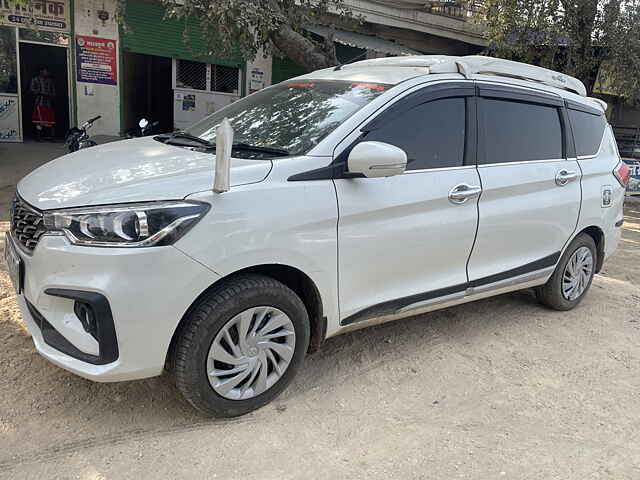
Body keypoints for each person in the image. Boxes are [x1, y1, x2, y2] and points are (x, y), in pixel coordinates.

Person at [30, 66, 56, 140]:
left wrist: (50, 95)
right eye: (45, 71)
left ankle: (50, 137)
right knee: (38, 121)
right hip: (39, 103)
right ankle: (38, 136)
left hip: (48, 104)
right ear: (41, 71)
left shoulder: (50, 81)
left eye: (47, 71)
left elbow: (54, 92)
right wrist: (39, 92)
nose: (47, 73)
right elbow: (31, 90)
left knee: (50, 120)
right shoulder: (35, 79)